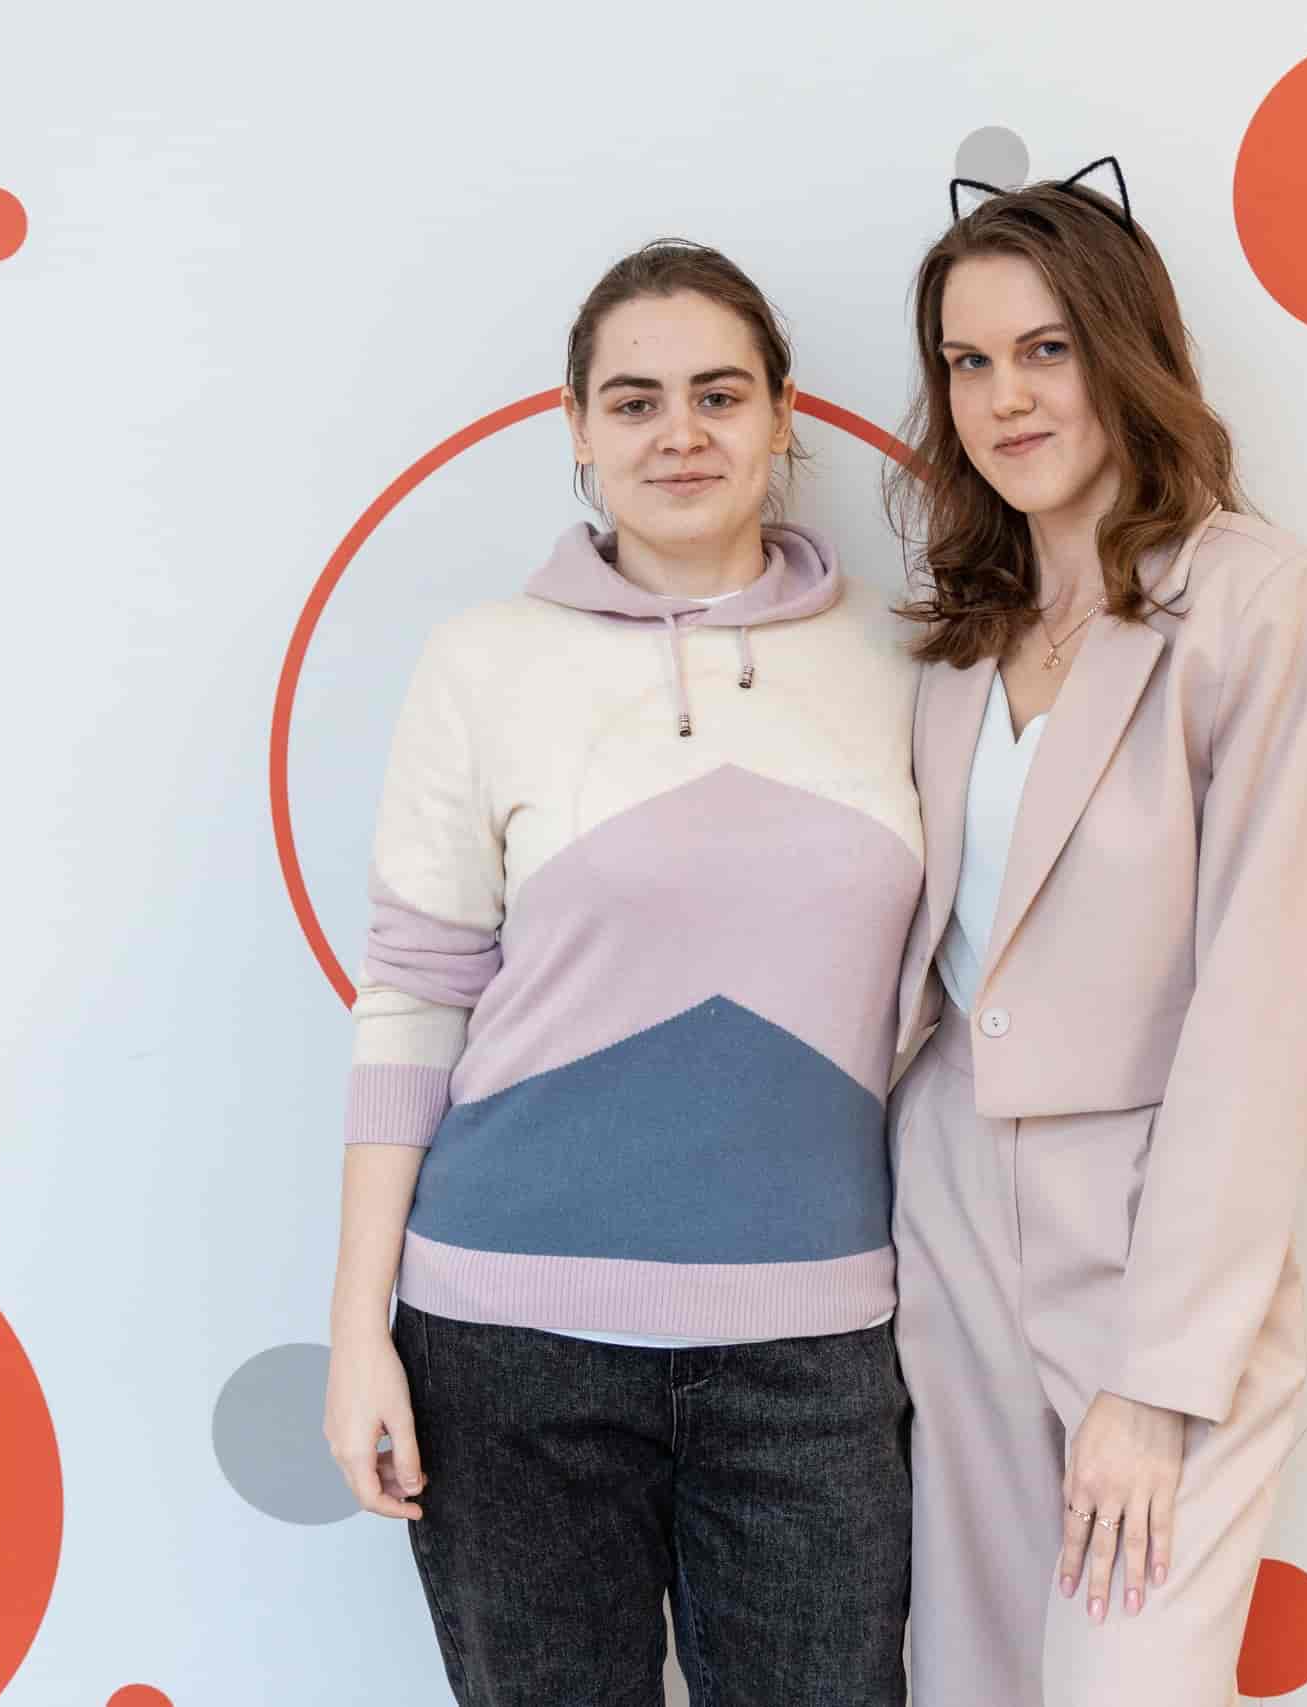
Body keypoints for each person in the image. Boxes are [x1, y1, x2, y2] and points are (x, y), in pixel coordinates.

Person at [320, 239, 918, 1707]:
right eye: (635, 401)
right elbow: (416, 993)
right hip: (505, 1344)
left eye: (721, 394)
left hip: (815, 1350)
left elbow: (1015, 909)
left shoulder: (908, 656)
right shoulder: (483, 663)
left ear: (785, 415)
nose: (680, 433)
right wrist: (356, 1334)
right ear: (577, 429)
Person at [884, 159, 1307, 1705]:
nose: (1006, 398)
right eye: (969, 361)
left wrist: (1159, 1378)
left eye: (1047, 349)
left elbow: (1262, 1004)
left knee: (1126, 1678)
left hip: (1154, 1222)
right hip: (947, 1207)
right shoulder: (953, 642)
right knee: (970, 1680)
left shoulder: (1259, 600)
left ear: (1123, 349)